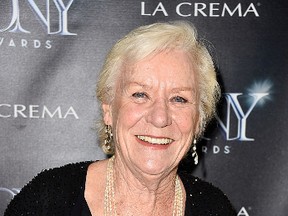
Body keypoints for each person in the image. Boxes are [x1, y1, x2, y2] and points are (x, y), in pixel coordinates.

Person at [5, 21, 236, 216]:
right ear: (109, 109)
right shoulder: (49, 200)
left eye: (179, 99)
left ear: (198, 120)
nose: (159, 118)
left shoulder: (214, 208)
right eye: (140, 94)